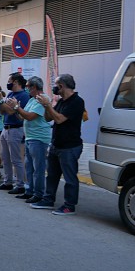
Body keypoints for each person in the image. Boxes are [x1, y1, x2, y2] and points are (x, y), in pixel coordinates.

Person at [32, 74, 85, 215]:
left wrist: (48, 105)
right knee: (52, 175)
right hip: (56, 144)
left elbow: (60, 119)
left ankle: (69, 205)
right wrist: (46, 105)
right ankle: (48, 200)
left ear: (61, 86)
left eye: (56, 85)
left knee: (70, 178)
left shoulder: (77, 102)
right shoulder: (61, 101)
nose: (54, 88)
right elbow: (49, 117)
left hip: (70, 146)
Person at [8, 77, 52, 203]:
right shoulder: (32, 100)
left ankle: (38, 194)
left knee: (38, 168)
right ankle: (29, 191)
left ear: (34, 87)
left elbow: (30, 116)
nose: (26, 89)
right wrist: (16, 108)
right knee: (29, 167)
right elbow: (22, 116)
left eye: (28, 87)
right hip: (29, 137)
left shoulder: (42, 100)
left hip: (38, 138)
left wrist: (17, 108)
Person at [0, 72, 30, 194]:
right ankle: (7, 181)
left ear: (16, 82)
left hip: (16, 129)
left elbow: (13, 112)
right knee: (5, 157)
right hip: (6, 127)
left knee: (16, 159)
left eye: (10, 81)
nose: (8, 83)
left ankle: (20, 184)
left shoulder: (24, 96)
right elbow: (4, 111)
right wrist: (1, 102)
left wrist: (2, 102)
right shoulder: (10, 94)